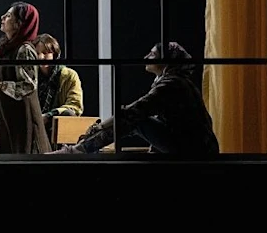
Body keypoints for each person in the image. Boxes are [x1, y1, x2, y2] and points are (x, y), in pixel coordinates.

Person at [50, 41, 219, 157]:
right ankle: (82, 148)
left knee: (135, 120)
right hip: (198, 148)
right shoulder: (178, 81)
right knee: (135, 119)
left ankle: (79, 151)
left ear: (166, 61)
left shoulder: (172, 84)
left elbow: (135, 111)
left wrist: (99, 126)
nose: (146, 58)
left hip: (193, 151)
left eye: (152, 54)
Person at [0, 2, 51, 154]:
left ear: (19, 23)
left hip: (23, 119)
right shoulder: (7, 49)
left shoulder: (24, 50)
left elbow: (28, 86)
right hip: (10, 115)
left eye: (8, 16)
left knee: (23, 156)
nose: (2, 17)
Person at [34, 33, 84, 142]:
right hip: (35, 124)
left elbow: (74, 107)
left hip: (57, 124)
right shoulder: (31, 76)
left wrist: (49, 116)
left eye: (45, 53)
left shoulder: (69, 75)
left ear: (54, 54)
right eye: (37, 53)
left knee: (67, 114)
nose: (40, 57)